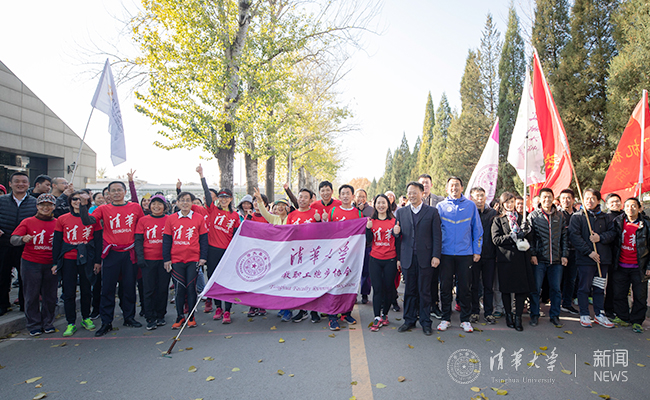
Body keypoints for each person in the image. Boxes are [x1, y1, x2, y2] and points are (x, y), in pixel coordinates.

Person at [85, 180, 145, 336]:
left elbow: (143, 227)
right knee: (108, 288)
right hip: (111, 253)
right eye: (113, 190)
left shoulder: (135, 207)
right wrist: (83, 205)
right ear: (108, 193)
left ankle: (129, 317)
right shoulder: (103, 209)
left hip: (130, 252)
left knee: (129, 287)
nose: (116, 193)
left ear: (125, 192)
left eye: (119, 190)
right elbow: (88, 221)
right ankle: (106, 322)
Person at [394, 181, 442, 336]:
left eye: (414, 192)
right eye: (409, 193)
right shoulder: (401, 212)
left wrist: (436, 255)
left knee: (425, 291)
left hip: (426, 258)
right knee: (409, 290)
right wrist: (396, 233)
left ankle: (426, 322)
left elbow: (437, 236)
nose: (411, 195)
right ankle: (409, 320)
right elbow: (397, 237)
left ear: (422, 193)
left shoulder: (432, 212)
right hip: (407, 257)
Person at [53, 191, 103, 336]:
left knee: (86, 290)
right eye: (74, 199)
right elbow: (57, 242)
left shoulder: (92, 219)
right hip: (68, 258)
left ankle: (86, 317)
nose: (78, 201)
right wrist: (55, 262)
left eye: (81, 199)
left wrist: (97, 261)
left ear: (87, 202)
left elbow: (98, 241)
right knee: (68, 291)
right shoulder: (62, 219)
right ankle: (70, 322)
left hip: (87, 258)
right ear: (70, 201)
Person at [436, 177, 483, 333]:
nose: (454, 188)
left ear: (462, 188)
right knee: (445, 287)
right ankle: (445, 318)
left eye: (457, 185)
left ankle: (465, 319)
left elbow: (477, 230)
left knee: (464, 288)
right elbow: (436, 231)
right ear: (446, 189)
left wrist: (477, 251)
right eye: (451, 185)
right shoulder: (440, 206)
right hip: (445, 253)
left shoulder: (470, 206)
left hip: (465, 253)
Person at [196, 164, 240, 323]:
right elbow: (207, 194)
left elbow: (236, 236)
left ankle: (227, 310)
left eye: (226, 197)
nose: (223, 199)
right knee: (213, 279)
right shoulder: (212, 210)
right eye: (221, 197)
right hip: (212, 251)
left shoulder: (235, 216)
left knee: (227, 281)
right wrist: (202, 176)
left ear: (231, 199)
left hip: (227, 252)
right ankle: (218, 307)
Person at [9, 194, 57, 336]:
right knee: (31, 295)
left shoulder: (58, 222)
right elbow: (13, 239)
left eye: (49, 205)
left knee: (50, 296)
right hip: (31, 263)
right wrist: (22, 239)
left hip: (51, 264)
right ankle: (33, 324)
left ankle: (48, 323)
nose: (45, 208)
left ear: (54, 207)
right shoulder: (28, 221)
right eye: (42, 205)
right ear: (37, 206)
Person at [568, 189, 615, 328]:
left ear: (598, 200)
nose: (590, 201)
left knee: (599, 288)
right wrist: (589, 252)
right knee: (584, 287)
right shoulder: (577, 217)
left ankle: (599, 314)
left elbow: (613, 233)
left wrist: (600, 237)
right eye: (587, 198)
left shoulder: (606, 217)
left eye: (593, 198)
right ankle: (584, 313)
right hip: (585, 259)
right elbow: (575, 237)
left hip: (602, 259)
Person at [163, 192, 208, 329]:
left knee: (191, 288)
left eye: (188, 200)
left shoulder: (199, 218)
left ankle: (191, 316)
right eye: (182, 200)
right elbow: (167, 240)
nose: (185, 203)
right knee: (179, 289)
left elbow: (203, 239)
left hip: (193, 259)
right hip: (176, 259)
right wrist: (167, 259)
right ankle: (179, 316)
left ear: (192, 203)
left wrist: (203, 257)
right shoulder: (171, 219)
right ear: (177, 202)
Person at [491, 192, 535, 331]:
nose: (510, 205)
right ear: (502, 204)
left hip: (521, 258)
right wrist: (512, 237)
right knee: (506, 289)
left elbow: (531, 238)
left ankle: (518, 317)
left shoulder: (522, 218)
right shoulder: (498, 220)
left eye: (512, 201)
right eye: (507, 202)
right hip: (506, 259)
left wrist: (527, 232)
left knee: (521, 290)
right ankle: (508, 315)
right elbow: (496, 239)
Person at [527, 187, 568, 328]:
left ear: (553, 198)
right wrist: (533, 254)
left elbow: (564, 237)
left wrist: (564, 255)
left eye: (549, 197)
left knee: (556, 289)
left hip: (556, 259)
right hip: (539, 259)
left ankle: (555, 315)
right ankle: (534, 315)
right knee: (536, 289)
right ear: (540, 199)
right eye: (544, 197)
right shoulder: (533, 216)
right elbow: (530, 238)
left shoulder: (560, 216)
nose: (547, 199)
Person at [324, 184, 362, 329]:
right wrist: (324, 221)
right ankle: (332, 316)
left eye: (348, 193)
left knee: (349, 284)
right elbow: (326, 231)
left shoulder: (358, 214)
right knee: (334, 285)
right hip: (335, 255)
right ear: (339, 196)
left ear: (353, 196)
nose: (345, 196)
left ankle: (346, 313)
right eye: (343, 193)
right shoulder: (333, 211)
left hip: (352, 256)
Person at [283, 188, 323, 323]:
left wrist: (319, 221)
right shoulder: (292, 215)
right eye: (300, 196)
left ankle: (314, 311)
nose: (302, 199)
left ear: (311, 200)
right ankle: (302, 310)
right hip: (296, 255)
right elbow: (287, 235)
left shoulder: (316, 213)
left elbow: (324, 232)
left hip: (312, 254)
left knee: (313, 282)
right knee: (299, 282)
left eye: (306, 197)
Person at [0, 172, 37, 316]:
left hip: (26, 245)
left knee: (25, 277)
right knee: (2, 275)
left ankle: (24, 303)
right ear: (10, 184)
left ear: (28, 184)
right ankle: (3, 304)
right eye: (17, 181)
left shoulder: (34, 202)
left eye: (24, 181)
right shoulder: (2, 200)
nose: (20, 184)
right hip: (4, 243)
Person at [610, 198, 649, 333]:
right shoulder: (618, 222)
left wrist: (649, 267)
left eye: (633, 206)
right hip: (621, 265)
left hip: (639, 267)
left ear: (639, 208)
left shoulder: (646, 224)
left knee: (640, 296)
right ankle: (623, 317)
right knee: (619, 293)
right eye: (627, 206)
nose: (630, 209)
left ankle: (637, 321)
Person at [135, 195, 170, 330]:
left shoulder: (169, 219)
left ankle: (161, 315)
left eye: (159, 204)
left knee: (162, 289)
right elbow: (138, 240)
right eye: (153, 203)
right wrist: (140, 257)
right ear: (149, 206)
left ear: (164, 206)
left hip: (164, 261)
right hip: (148, 260)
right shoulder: (143, 220)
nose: (156, 206)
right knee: (149, 289)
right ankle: (150, 317)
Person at [366, 194, 400, 332]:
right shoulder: (371, 221)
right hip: (375, 259)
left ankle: (385, 314)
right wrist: (368, 229)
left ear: (388, 205)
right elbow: (368, 240)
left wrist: (397, 233)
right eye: (378, 203)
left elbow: (398, 241)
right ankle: (376, 316)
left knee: (389, 288)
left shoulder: (394, 221)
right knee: (377, 289)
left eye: (383, 203)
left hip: (390, 259)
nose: (381, 205)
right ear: (375, 205)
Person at [469, 187, 498, 324]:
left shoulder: (493, 213)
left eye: (482, 195)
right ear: (472, 198)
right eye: (477, 196)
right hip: (473, 255)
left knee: (488, 286)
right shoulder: (469, 213)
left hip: (489, 255)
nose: (480, 199)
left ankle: (488, 312)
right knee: (474, 285)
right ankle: (474, 311)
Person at [558, 188, 579, 315]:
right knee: (557, 279)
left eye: (568, 198)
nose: (566, 200)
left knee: (571, 279)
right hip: (559, 252)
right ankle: (555, 304)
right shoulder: (557, 215)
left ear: (573, 200)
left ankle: (567, 303)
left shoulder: (579, 215)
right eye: (563, 198)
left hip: (575, 251)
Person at [603, 193, 623, 319]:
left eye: (617, 201)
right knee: (610, 283)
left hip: (623, 254)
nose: (615, 204)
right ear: (607, 204)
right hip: (609, 254)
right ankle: (608, 308)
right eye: (612, 202)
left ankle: (619, 308)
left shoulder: (625, 216)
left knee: (620, 284)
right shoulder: (606, 217)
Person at [354, 189, 374, 305]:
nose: (361, 199)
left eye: (363, 196)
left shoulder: (371, 210)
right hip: (353, 246)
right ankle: (352, 294)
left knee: (366, 271)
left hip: (367, 245)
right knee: (353, 271)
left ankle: (365, 293)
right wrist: (358, 210)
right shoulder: (352, 209)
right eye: (358, 196)